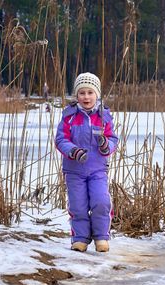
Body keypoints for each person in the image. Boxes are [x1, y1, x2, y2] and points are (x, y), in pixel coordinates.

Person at [55, 72, 118, 252]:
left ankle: (101, 237)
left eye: (90, 93)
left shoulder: (104, 116)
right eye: (82, 93)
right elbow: (60, 140)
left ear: (96, 94)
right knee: (78, 205)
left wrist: (107, 145)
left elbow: (112, 138)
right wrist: (73, 151)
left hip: (97, 169)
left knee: (101, 201)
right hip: (74, 170)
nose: (86, 97)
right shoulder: (69, 116)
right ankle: (80, 238)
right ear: (77, 95)